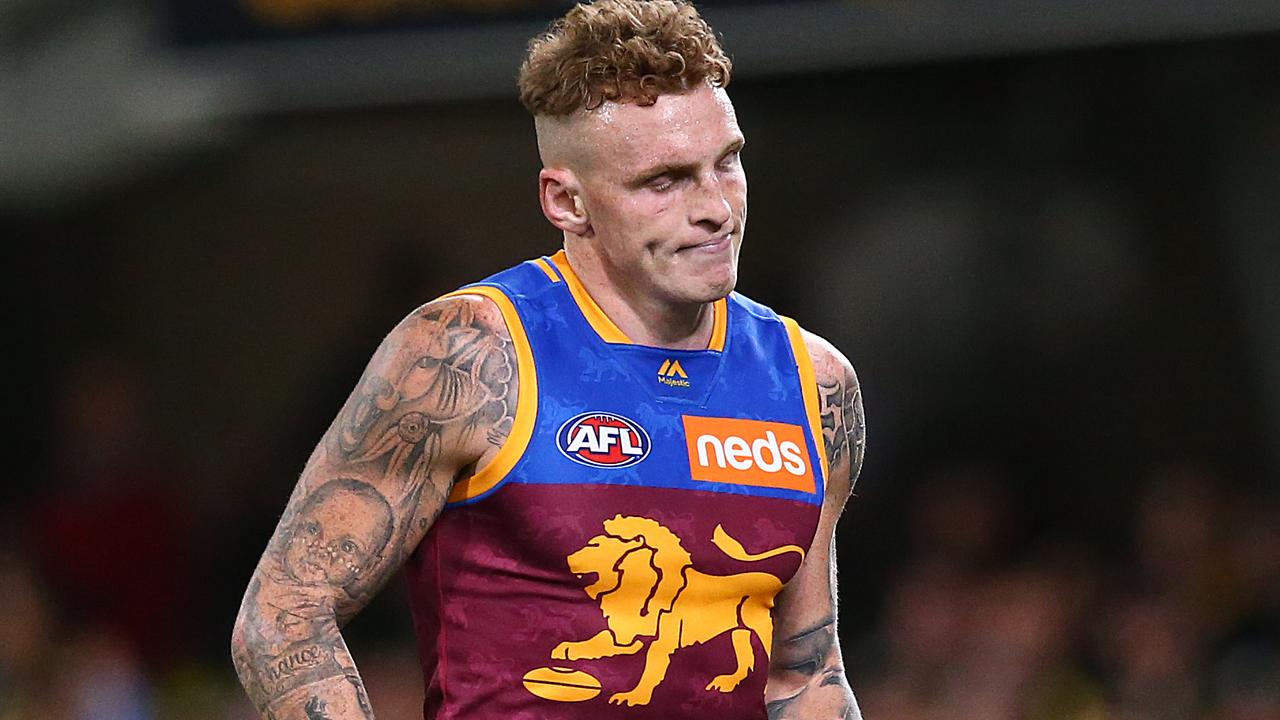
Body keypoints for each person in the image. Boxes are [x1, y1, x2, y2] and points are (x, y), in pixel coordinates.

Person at [231, 1, 867, 718]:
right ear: (566, 201)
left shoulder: (813, 384)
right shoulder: (467, 356)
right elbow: (283, 617)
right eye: (666, 181)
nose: (717, 208)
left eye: (728, 162)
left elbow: (805, 673)